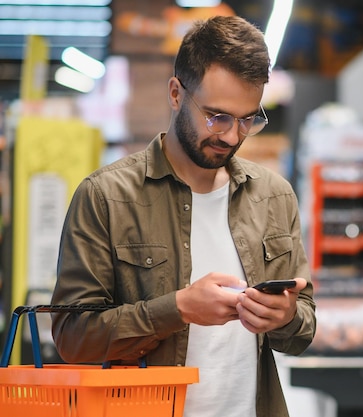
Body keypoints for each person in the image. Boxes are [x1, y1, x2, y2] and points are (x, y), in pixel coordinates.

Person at [50, 15, 316, 417]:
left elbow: (302, 331)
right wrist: (176, 309)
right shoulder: (106, 196)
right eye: (217, 116)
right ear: (176, 93)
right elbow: (72, 337)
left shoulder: (274, 197)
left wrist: (286, 316)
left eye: (247, 119)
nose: (231, 135)